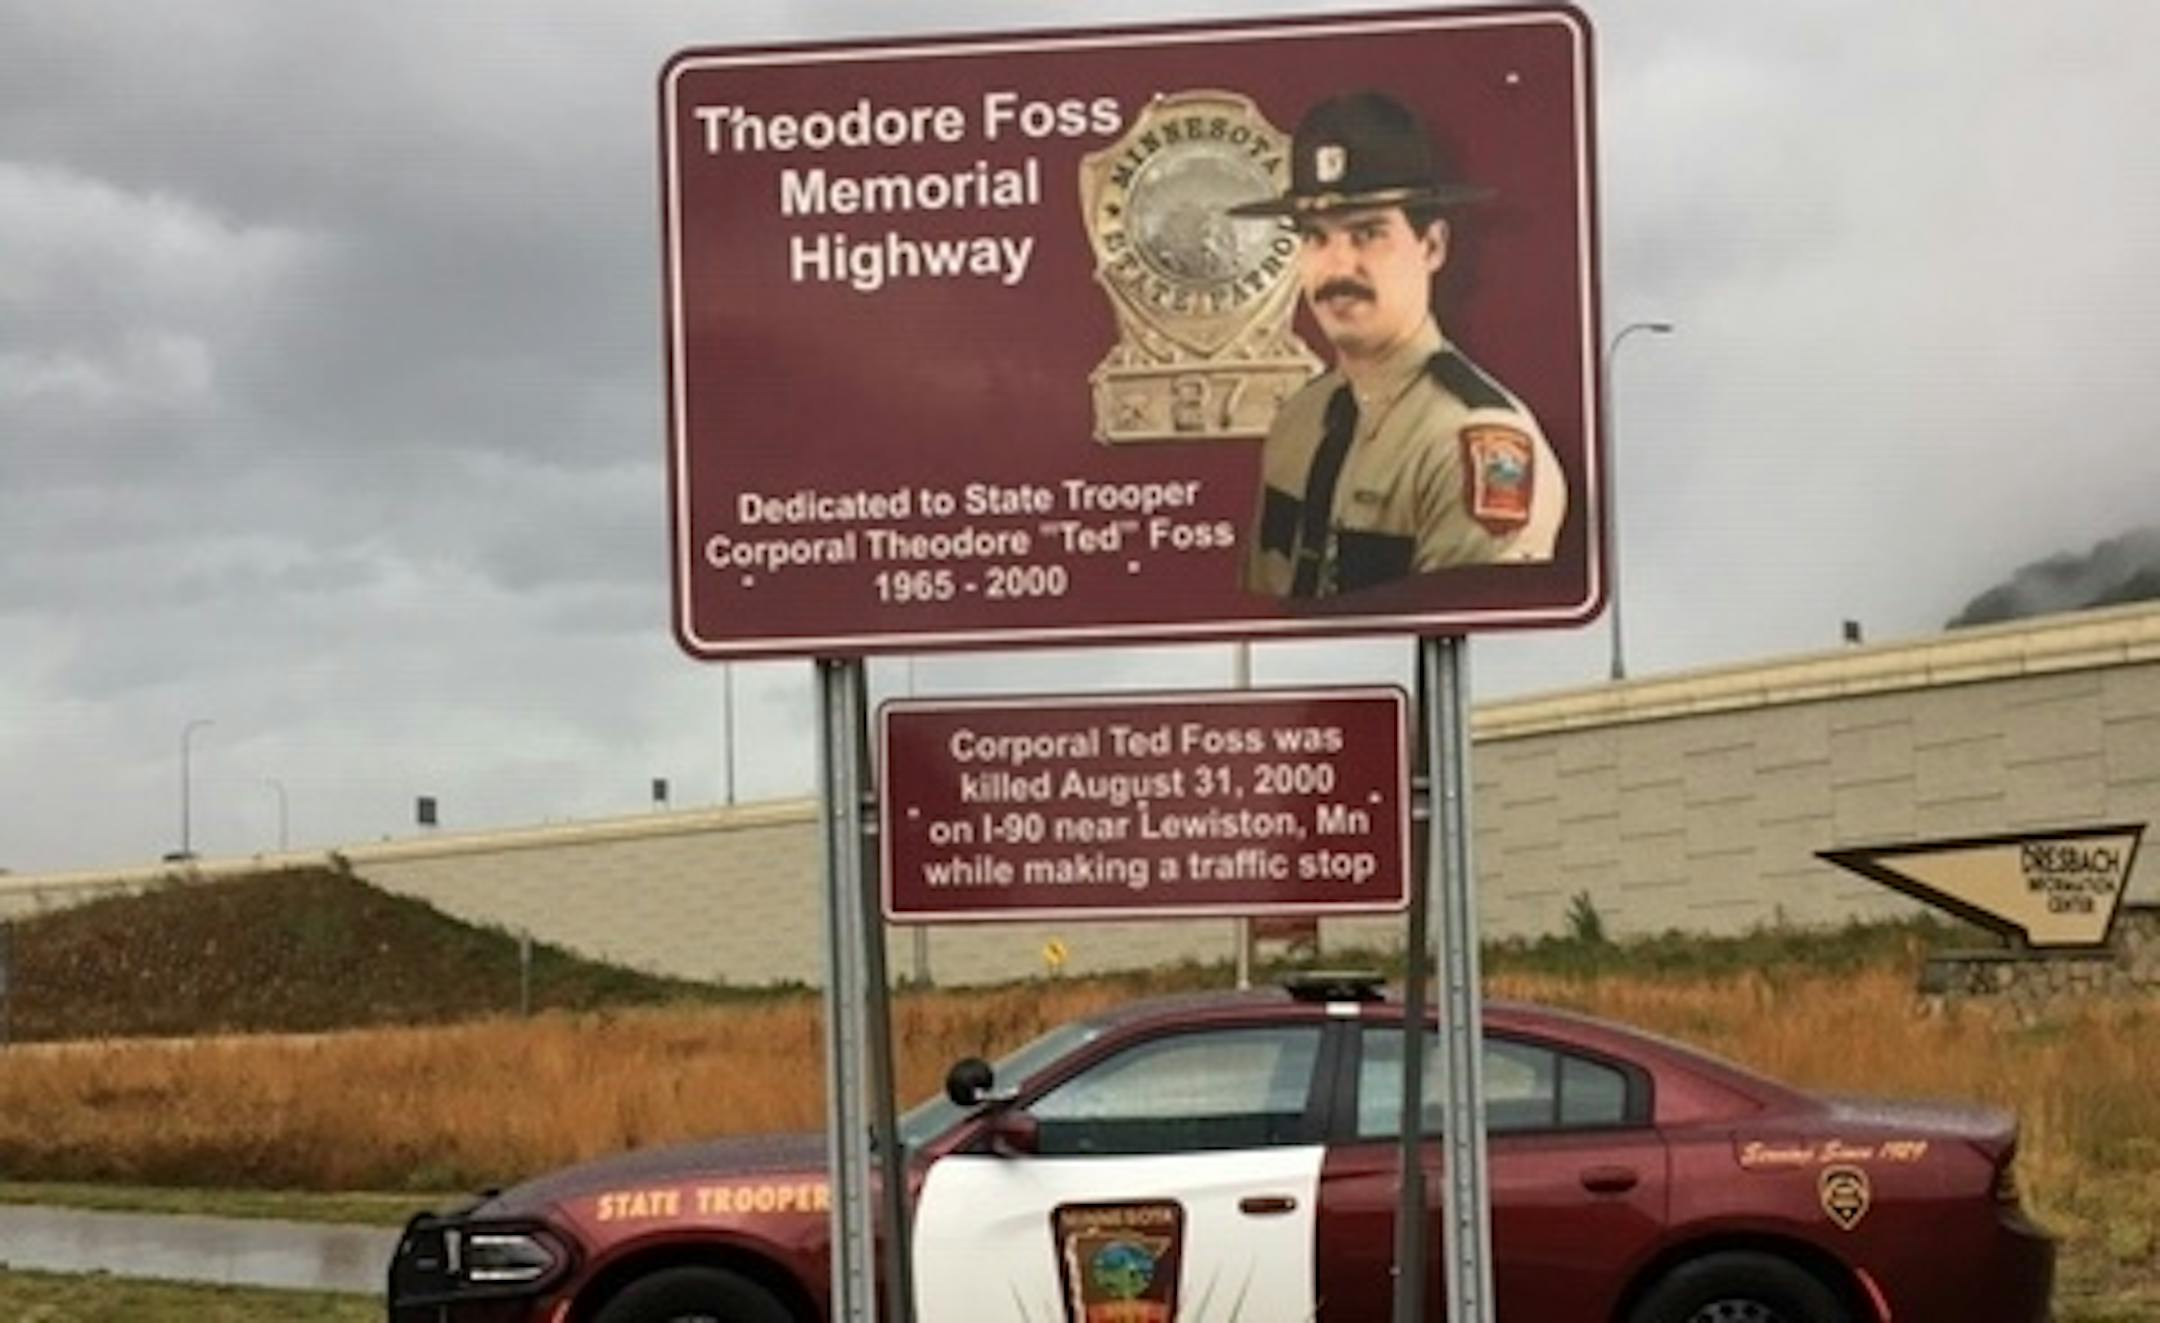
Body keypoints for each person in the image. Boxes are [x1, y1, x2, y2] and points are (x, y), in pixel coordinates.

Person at [1233, 91, 1566, 600]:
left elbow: (1470, 624)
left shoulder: (1467, 442)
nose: (1338, 266)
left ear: (1431, 247)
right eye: (1316, 237)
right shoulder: (1299, 422)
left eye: (1367, 233)